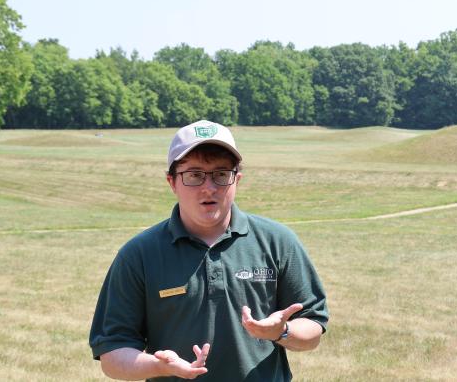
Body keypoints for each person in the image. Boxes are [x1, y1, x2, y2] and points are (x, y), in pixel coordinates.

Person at [89, 120, 329, 381]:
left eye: (221, 174)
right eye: (194, 174)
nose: (209, 187)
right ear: (172, 182)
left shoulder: (278, 241)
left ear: (237, 179)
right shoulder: (139, 254)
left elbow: (313, 328)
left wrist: (281, 332)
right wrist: (160, 366)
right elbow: (112, 354)